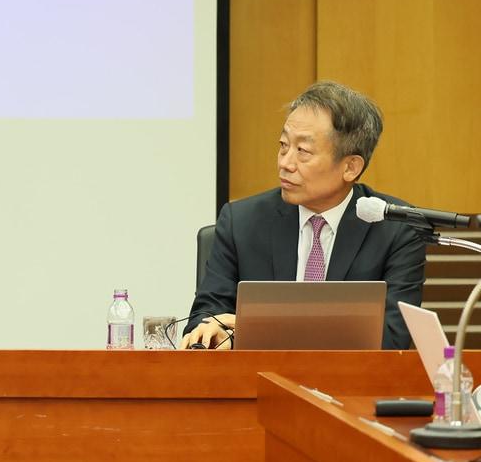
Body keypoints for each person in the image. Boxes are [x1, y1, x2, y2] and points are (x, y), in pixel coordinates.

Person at [181, 81, 426, 350]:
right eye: (284, 145)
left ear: (350, 167)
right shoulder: (242, 222)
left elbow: (391, 339)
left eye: (303, 152)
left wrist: (260, 328)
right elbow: (203, 318)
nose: (285, 163)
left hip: (348, 387)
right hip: (256, 383)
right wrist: (214, 333)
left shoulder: (395, 229)